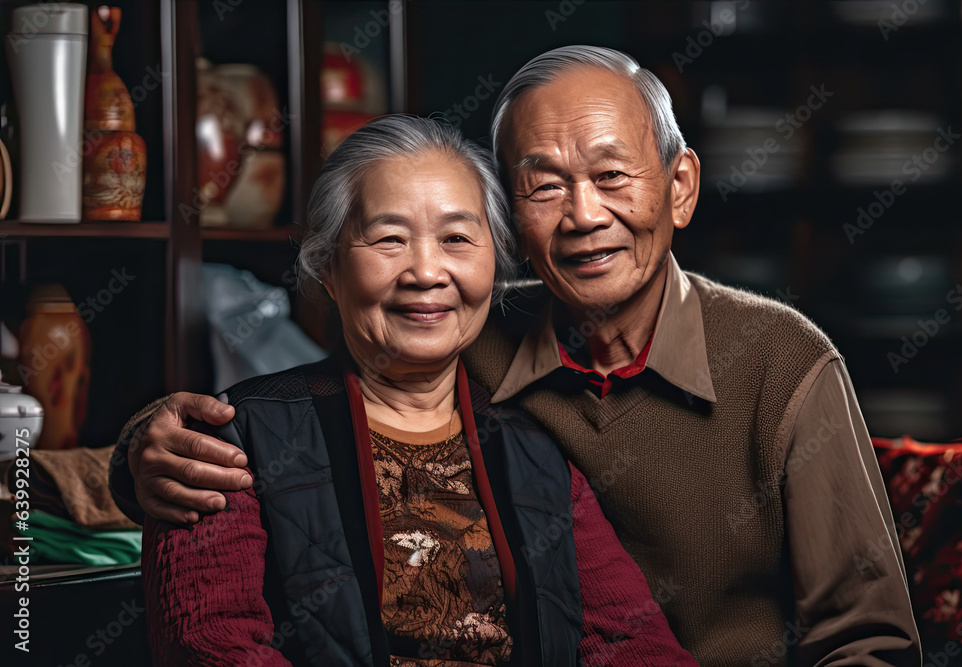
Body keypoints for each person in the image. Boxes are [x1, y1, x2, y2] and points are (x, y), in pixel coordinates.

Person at [111, 47, 921, 665]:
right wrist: (139, 449)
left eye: (612, 175)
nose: (583, 215)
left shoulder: (782, 360)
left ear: (679, 188)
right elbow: (281, 431)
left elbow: (864, 640)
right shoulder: (456, 334)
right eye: (543, 187)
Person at [136, 115, 696, 666]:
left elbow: (634, 645)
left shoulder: (536, 449)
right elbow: (210, 647)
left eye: (456, 238)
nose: (426, 272)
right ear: (330, 268)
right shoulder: (230, 441)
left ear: (494, 269)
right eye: (389, 239)